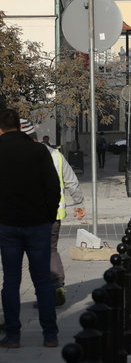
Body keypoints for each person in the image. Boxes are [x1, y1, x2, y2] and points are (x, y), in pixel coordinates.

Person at [0, 111, 61, 349]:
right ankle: (50, 335)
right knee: (43, 281)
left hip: (7, 225)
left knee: (11, 281)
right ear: (19, 127)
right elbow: (53, 187)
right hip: (37, 224)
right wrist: (48, 215)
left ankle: (13, 335)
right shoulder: (38, 151)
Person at [26, 126, 85, 308]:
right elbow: (71, 181)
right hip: (55, 214)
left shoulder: (23, 156)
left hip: (31, 215)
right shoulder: (56, 155)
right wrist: (79, 203)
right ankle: (57, 287)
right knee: (51, 251)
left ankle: (44, 294)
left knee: (35, 256)